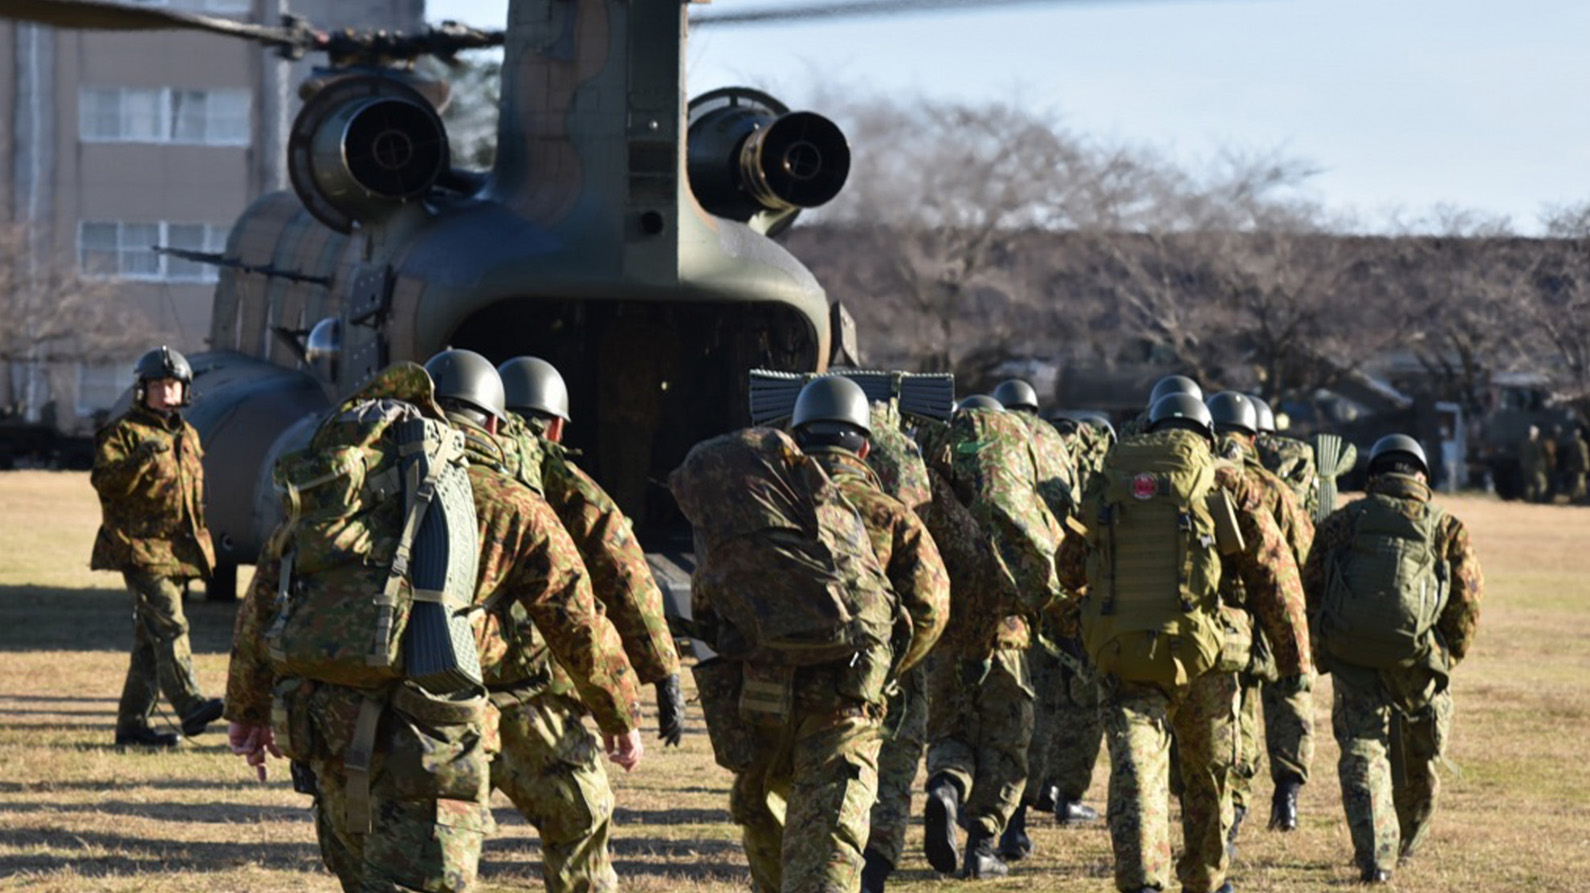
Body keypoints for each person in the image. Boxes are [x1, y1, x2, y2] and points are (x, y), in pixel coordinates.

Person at [224, 356, 642, 892]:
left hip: (328, 723)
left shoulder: (341, 488)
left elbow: (267, 595)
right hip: (430, 738)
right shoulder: (510, 501)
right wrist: (619, 712)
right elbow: (575, 617)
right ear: (495, 422)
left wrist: (248, 710)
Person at [1057, 393, 1313, 893]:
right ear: (1207, 432)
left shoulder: (1113, 475)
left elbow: (1068, 567)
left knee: (1137, 770)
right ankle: (1206, 879)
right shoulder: (1224, 478)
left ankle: (1144, 880)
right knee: (1208, 774)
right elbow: (1273, 571)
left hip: (1124, 651)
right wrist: (1293, 656)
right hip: (1205, 656)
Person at [790, 378, 950, 893]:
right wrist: (890, 666)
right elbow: (932, 605)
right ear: (863, 446)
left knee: (778, 826)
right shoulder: (888, 513)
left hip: (766, 695)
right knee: (838, 821)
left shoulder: (765, 501)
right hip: (849, 698)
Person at [1303, 434, 1483, 884]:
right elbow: (1467, 603)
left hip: (1352, 656)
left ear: (1374, 477)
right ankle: (1407, 841)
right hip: (1417, 659)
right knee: (1418, 752)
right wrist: (1444, 656)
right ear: (1422, 477)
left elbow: (1312, 589)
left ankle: (1374, 858)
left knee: (1362, 750)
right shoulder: (1447, 527)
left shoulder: (1344, 521)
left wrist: (1327, 646)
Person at [921, 395, 1062, 880]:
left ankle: (945, 786)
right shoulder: (1020, 488)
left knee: (950, 731)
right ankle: (982, 846)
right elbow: (1051, 559)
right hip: (1008, 635)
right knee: (1005, 745)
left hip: (947, 632)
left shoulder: (934, 483)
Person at [90, 346, 223, 749]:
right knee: (169, 622)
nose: (166, 393)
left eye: (173, 385)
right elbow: (105, 484)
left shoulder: (188, 436)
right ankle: (189, 704)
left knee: (149, 643)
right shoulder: (124, 432)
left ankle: (133, 728)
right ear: (142, 390)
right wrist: (138, 461)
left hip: (178, 551)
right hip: (138, 548)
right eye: (158, 386)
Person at [1208, 391, 1316, 839]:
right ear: (1254, 437)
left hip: (1211, 622)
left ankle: (1229, 814)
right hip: (1269, 618)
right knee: (1280, 701)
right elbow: (1305, 554)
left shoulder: (1197, 477)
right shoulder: (1273, 487)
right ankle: (1284, 794)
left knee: (1231, 718)